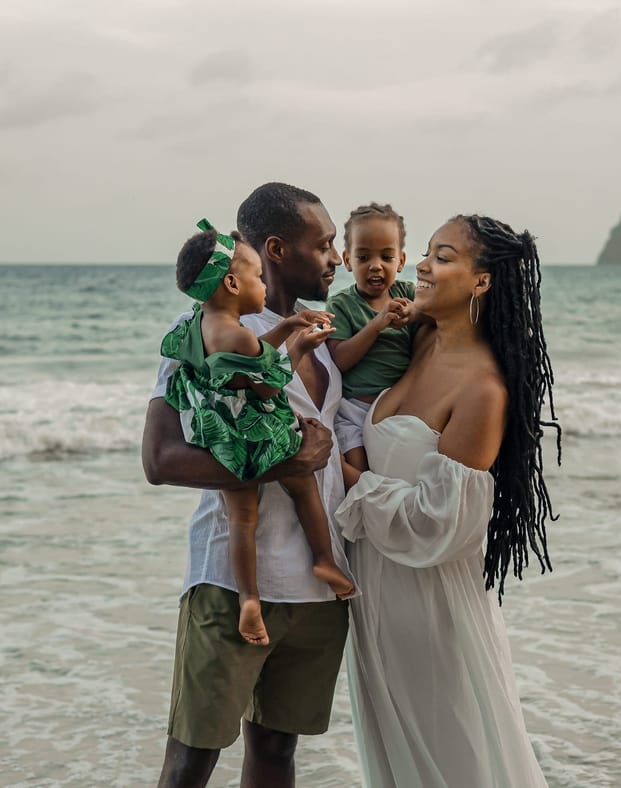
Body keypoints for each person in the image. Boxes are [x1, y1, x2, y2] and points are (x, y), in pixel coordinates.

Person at [141, 182, 354, 788]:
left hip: (317, 586)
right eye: (326, 245)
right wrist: (284, 466)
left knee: (278, 756)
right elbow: (160, 458)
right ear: (279, 249)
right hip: (234, 585)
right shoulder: (206, 330)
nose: (337, 258)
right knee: (191, 761)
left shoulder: (319, 338)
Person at [336, 214, 559, 787]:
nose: (421, 266)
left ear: (482, 282)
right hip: (378, 594)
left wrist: (341, 473)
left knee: (452, 757)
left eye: (443, 256)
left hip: (432, 607)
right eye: (427, 253)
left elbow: (439, 525)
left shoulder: (482, 388)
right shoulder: (419, 338)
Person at [161, 220, 353, 645]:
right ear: (232, 283)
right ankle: (324, 558)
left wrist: (289, 325)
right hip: (259, 431)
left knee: (241, 520)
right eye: (256, 276)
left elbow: (253, 350)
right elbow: (266, 381)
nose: (263, 282)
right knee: (304, 486)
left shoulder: (204, 326)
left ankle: (249, 598)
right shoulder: (242, 336)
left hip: (222, 442)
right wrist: (301, 346)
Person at [326, 202, 414, 475]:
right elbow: (339, 359)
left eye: (386, 257)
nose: (375, 266)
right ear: (348, 260)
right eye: (363, 258)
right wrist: (376, 325)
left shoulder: (408, 294)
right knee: (362, 479)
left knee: (398, 473)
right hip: (355, 410)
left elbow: (437, 310)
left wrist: (416, 312)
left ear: (400, 261)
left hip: (400, 408)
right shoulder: (341, 304)